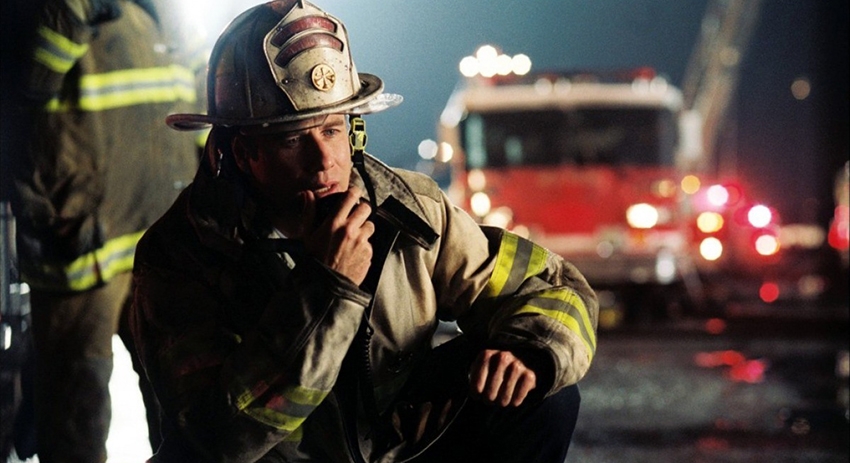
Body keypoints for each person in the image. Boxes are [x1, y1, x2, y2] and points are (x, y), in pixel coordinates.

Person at [129, 1, 599, 462]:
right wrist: (326, 287)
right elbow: (220, 439)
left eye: (332, 131)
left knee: (545, 393)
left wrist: (529, 354)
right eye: (292, 138)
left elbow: (550, 287)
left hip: (392, 450)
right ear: (243, 152)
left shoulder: (407, 208)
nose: (323, 161)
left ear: (355, 132)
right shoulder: (181, 254)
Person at [6, 0, 203, 461]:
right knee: (75, 411)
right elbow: (25, 86)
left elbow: (203, 100)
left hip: (164, 237)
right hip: (82, 242)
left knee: (183, 404)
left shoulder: (167, 12)